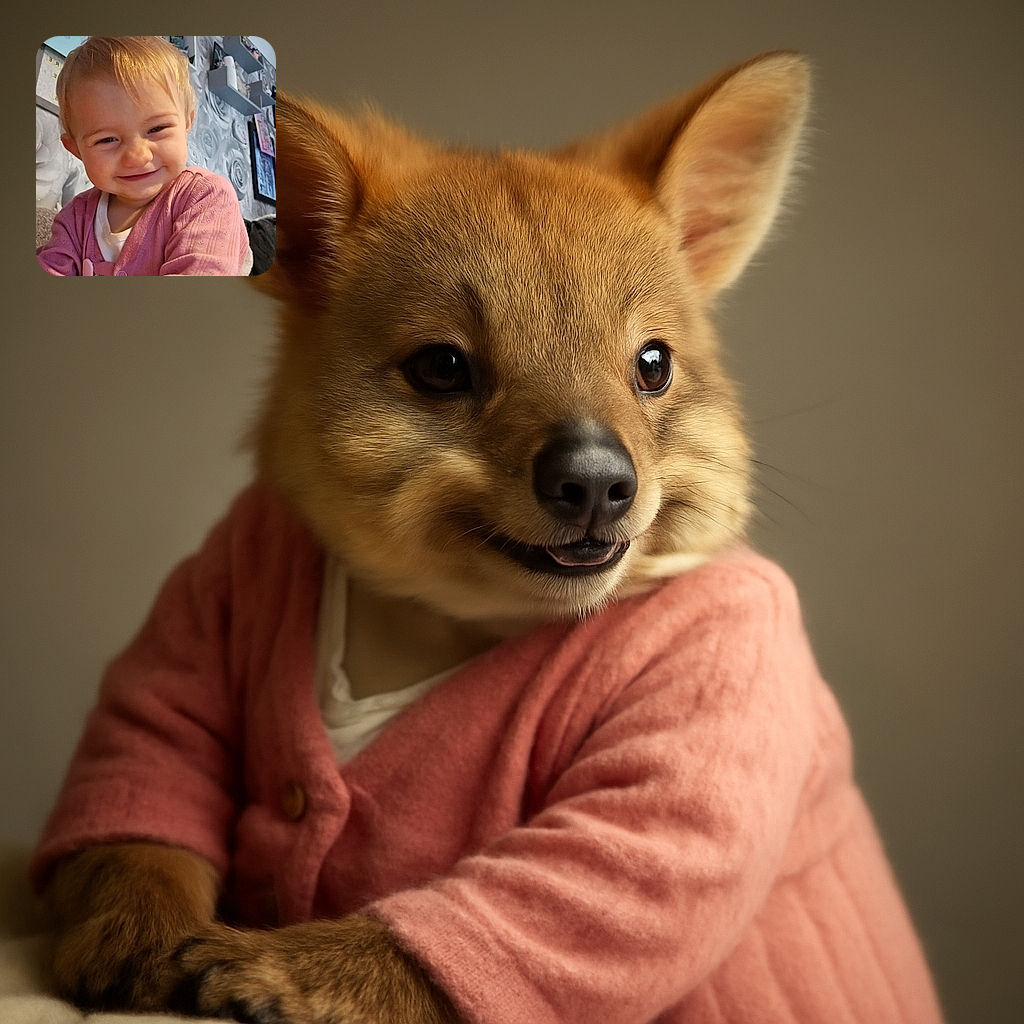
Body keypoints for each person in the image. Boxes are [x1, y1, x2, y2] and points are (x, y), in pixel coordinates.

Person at [37, 36, 252, 276]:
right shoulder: (73, 219)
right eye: (107, 140)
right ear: (76, 150)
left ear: (187, 123)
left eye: (156, 129)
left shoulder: (206, 196)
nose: (137, 157)